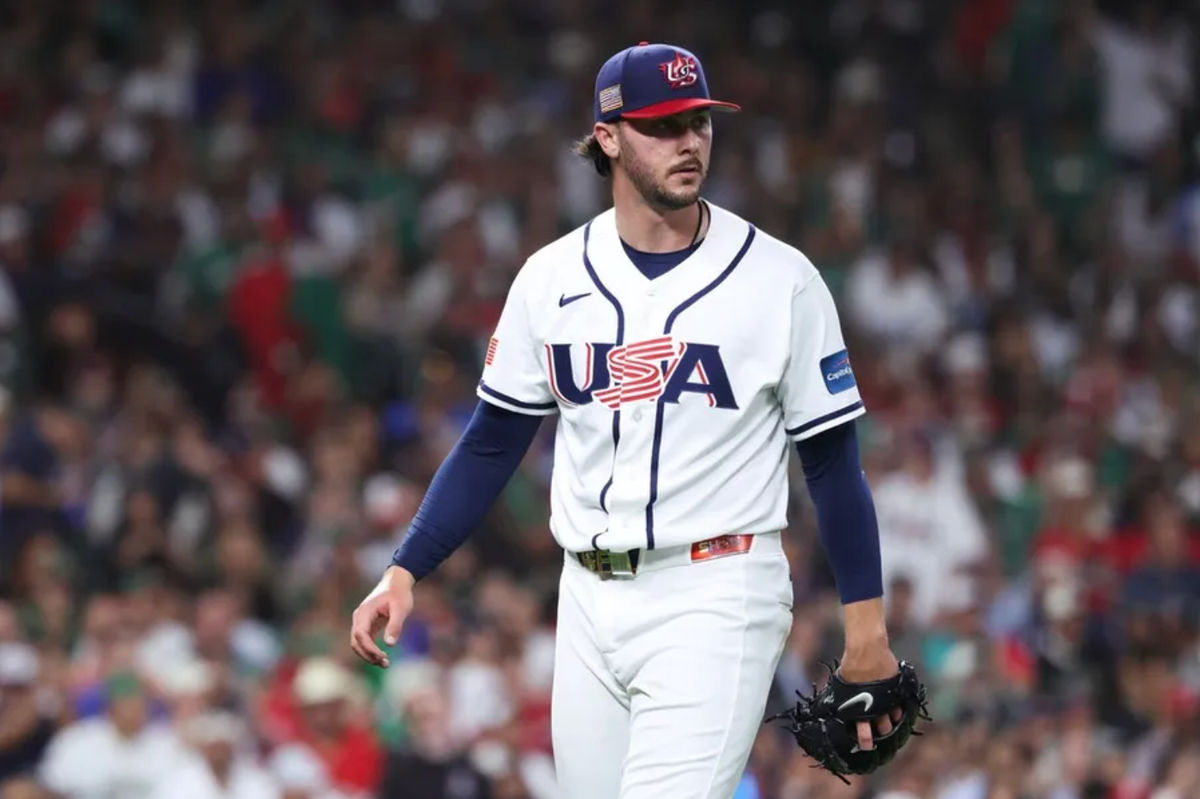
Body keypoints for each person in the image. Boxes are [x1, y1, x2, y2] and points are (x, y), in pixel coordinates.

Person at [352, 41, 903, 798]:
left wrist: (867, 630)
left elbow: (834, 463)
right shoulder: (549, 278)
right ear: (607, 138)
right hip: (585, 596)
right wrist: (405, 568)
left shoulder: (782, 280)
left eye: (699, 122)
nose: (689, 141)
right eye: (663, 125)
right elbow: (491, 443)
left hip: (718, 587)